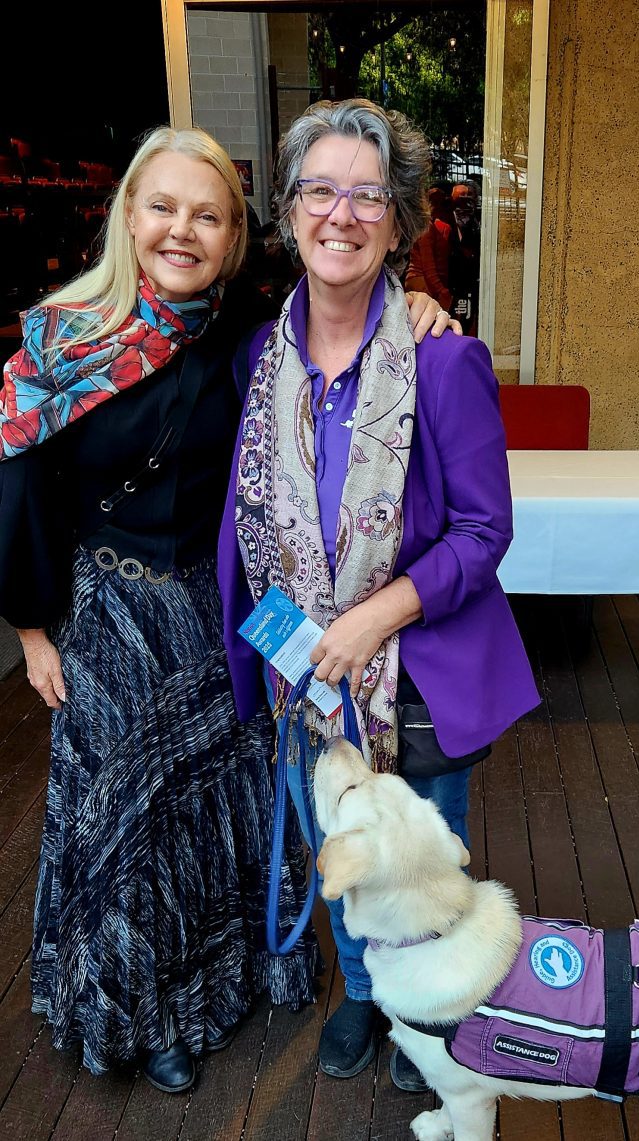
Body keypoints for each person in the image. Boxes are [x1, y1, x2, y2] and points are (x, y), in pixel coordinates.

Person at [0, 125, 455, 1093]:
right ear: (128, 215)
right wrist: (33, 630)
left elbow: (345, 282)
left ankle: (232, 973)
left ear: (235, 237)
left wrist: (417, 296)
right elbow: (21, 492)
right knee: (128, 823)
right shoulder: (58, 340)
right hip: (112, 615)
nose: (182, 230)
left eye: (207, 215)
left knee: (219, 805)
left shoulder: (245, 329)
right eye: (163, 207)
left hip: (222, 612)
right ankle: (144, 1009)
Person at [217, 99, 539, 1094]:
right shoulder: (257, 359)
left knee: (418, 856)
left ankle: (430, 1009)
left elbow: (485, 530)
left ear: (398, 222)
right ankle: (363, 990)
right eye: (320, 190)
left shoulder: (443, 359)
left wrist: (372, 618)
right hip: (298, 668)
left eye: (368, 196)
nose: (342, 214)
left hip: (415, 678)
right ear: (289, 211)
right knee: (339, 846)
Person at [404, 185, 452, 311]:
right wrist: (441, 290)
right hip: (421, 281)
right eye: (438, 203)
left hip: (419, 280)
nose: (441, 208)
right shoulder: (427, 227)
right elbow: (428, 265)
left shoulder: (425, 225)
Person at [449, 180, 481, 335]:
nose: (463, 202)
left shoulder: (476, 220)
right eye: (459, 197)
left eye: (468, 197)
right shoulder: (445, 218)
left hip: (471, 277)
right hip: (452, 279)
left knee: (468, 317)